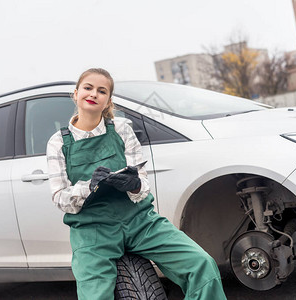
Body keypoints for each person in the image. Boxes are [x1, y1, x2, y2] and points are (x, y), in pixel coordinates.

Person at [46, 68, 227, 300]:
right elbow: (60, 197)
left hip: (140, 221)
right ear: (76, 94)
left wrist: (133, 184)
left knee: (202, 265)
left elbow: (143, 185)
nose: (93, 94)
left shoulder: (121, 130)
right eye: (88, 88)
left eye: (102, 91)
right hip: (93, 232)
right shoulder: (59, 142)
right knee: (95, 296)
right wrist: (88, 186)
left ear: (107, 101)